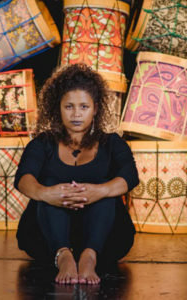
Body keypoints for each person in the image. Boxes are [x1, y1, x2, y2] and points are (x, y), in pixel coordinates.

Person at [14, 63, 139, 285]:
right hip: (47, 235)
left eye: (84, 107)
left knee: (104, 188)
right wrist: (47, 193)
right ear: (58, 108)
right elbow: (23, 178)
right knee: (52, 182)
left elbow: (130, 176)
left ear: (96, 108)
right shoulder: (43, 143)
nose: (76, 114)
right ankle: (64, 257)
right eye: (69, 106)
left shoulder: (111, 143)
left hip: (105, 235)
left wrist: (98, 191)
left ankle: (89, 257)